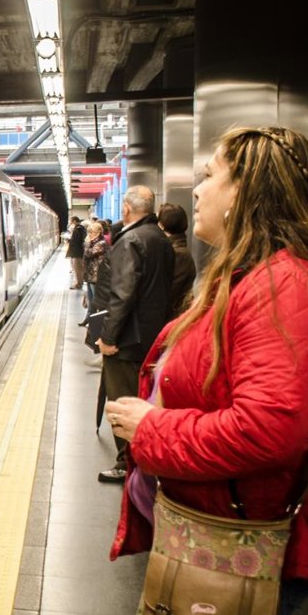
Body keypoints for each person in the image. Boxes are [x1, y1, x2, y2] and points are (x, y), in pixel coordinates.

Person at [104, 126, 308, 615]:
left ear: (247, 189)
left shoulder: (288, 288)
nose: (197, 190)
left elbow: (267, 430)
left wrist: (152, 428)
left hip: (244, 542)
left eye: (211, 175)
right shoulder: (254, 278)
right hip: (226, 527)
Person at [95, 186, 174, 483]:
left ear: (126, 208)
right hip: (151, 335)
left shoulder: (130, 240)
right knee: (141, 397)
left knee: (121, 399)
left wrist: (110, 338)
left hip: (128, 339)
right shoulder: (160, 239)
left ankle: (126, 462)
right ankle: (136, 459)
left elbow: (122, 294)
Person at [158, 202, 196, 314]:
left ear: (162, 225)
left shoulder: (178, 254)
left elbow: (167, 291)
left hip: (172, 318)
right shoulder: (176, 250)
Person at [79, 220, 108, 324]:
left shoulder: (101, 244)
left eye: (92, 233)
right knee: (91, 299)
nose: (90, 235)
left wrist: (86, 244)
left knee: (96, 300)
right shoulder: (93, 243)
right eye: (89, 233)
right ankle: (89, 319)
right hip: (91, 275)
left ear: (98, 233)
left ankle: (97, 322)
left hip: (97, 276)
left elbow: (89, 254)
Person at [65, 216, 86, 289]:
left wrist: (69, 240)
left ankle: (78, 284)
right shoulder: (80, 228)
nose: (70, 222)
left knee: (78, 269)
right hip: (78, 252)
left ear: (74, 221)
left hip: (77, 252)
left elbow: (76, 241)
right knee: (78, 269)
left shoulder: (78, 229)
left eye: (71, 221)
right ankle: (79, 283)